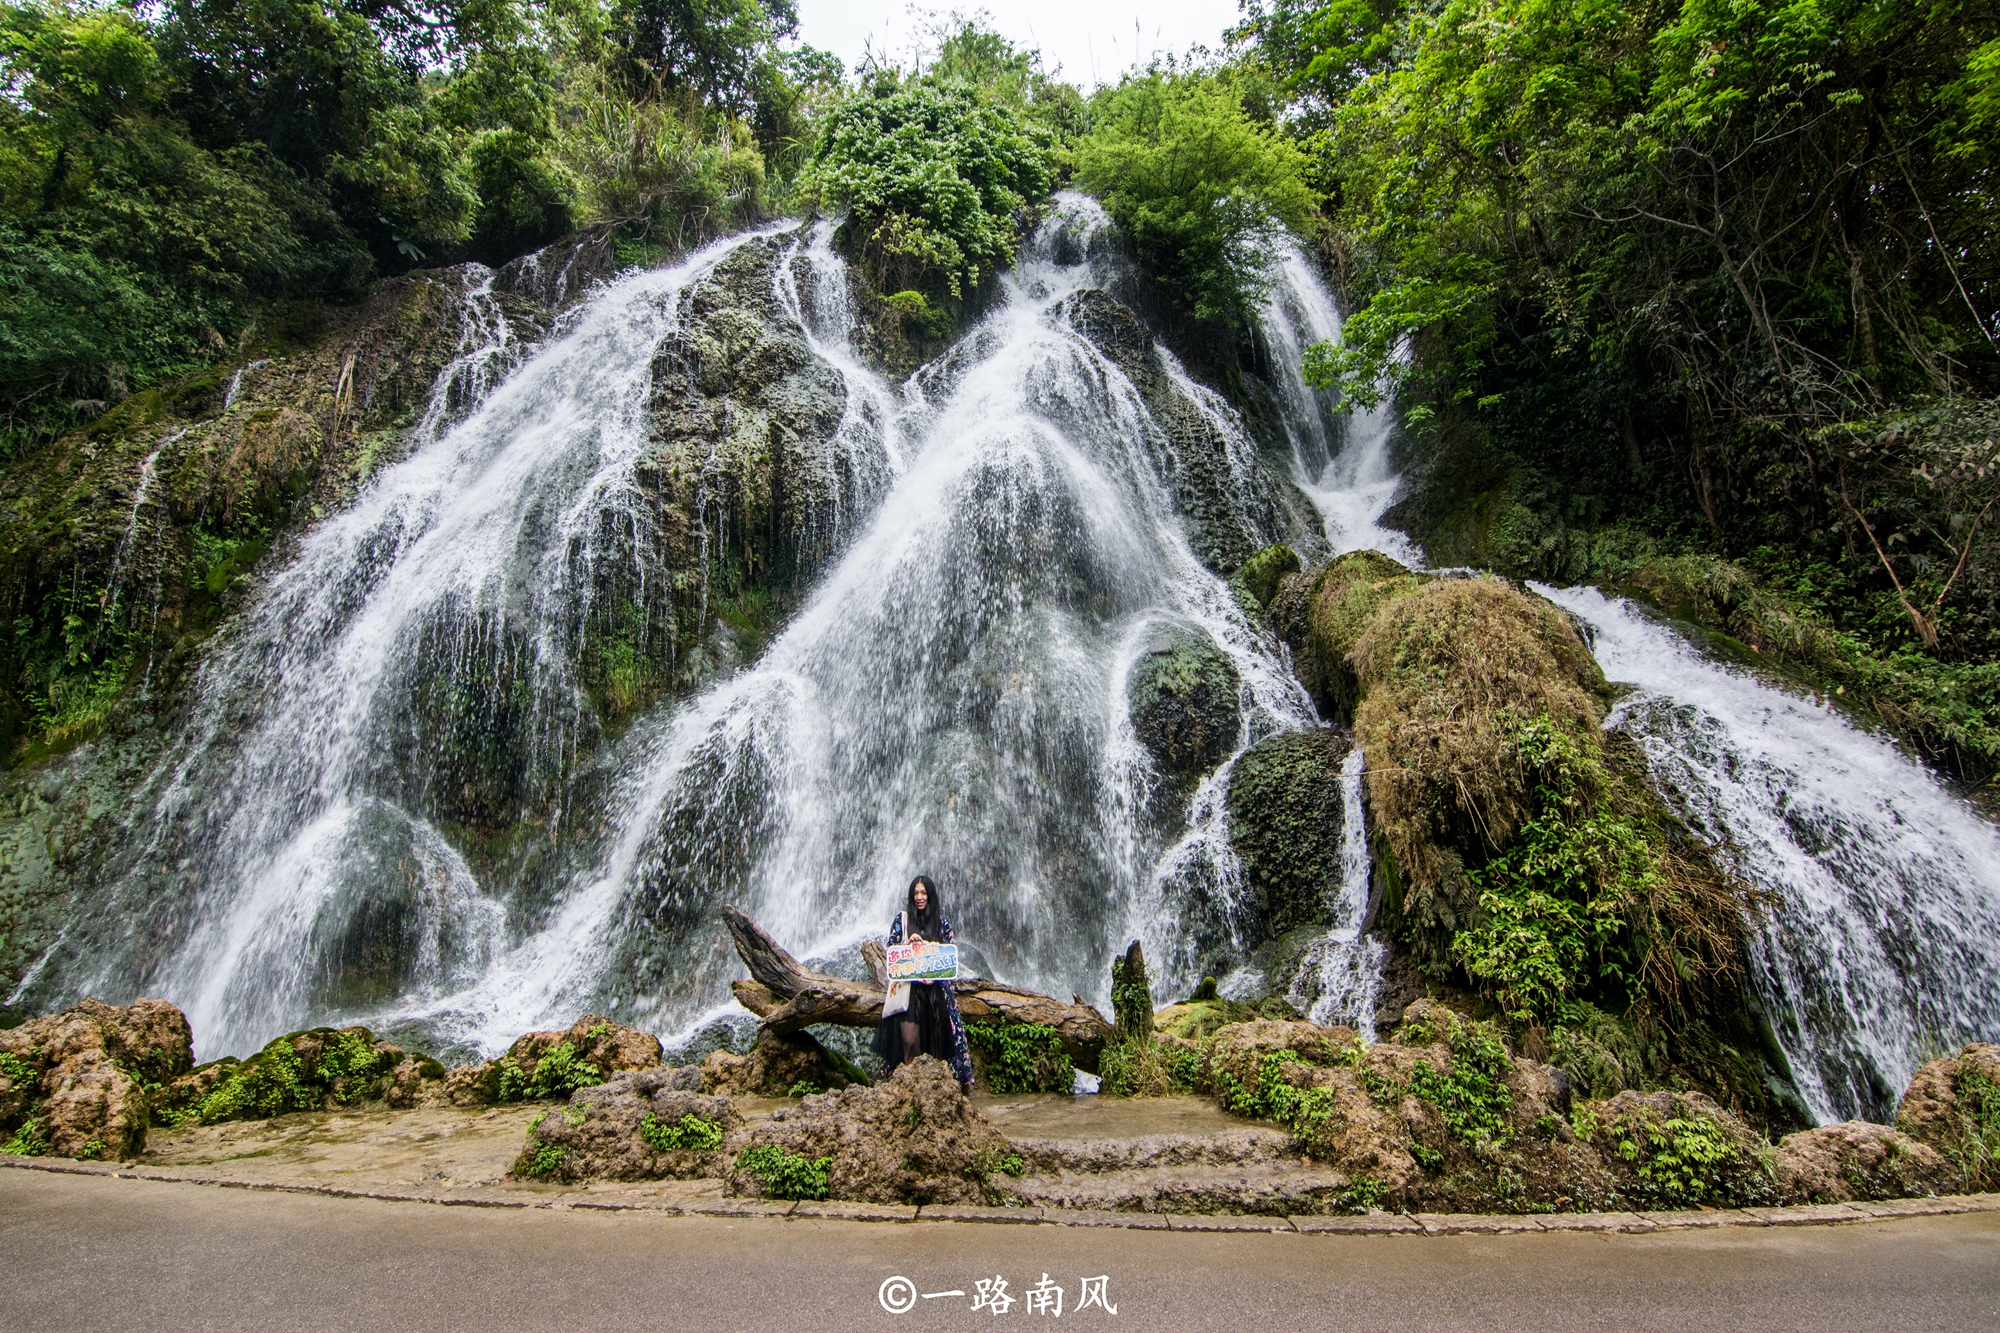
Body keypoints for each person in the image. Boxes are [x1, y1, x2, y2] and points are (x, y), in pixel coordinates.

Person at [872, 875, 975, 1092]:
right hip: (910, 990)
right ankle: (908, 1088)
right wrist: (907, 944)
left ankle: (938, 1091)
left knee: (938, 1042)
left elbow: (949, 953)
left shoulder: (941, 921)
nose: (919, 897)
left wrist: (929, 949)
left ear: (930, 895)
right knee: (909, 1040)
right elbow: (891, 952)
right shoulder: (902, 920)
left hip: (937, 991)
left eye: (923, 893)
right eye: (916, 893)